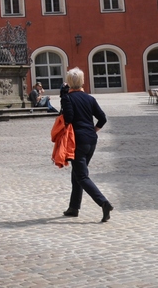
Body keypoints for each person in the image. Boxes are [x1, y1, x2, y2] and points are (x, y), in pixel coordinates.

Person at [59, 68, 113, 222]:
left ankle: (103, 202)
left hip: (77, 140)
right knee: (77, 173)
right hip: (91, 139)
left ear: (69, 83)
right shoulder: (90, 98)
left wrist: (63, 99)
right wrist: (93, 130)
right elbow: (102, 118)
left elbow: (68, 118)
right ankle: (74, 207)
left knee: (82, 176)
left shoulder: (68, 98)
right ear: (82, 81)